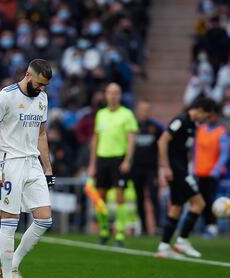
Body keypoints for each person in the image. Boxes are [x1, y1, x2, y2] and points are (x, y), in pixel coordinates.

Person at [0, 59, 55, 278]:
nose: (42, 89)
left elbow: (41, 133)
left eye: (45, 85)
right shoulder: (6, 97)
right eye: (40, 83)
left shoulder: (42, 98)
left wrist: (48, 167)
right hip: (9, 163)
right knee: (9, 222)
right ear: (28, 75)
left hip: (33, 162)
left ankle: (12, 267)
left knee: (44, 219)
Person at [156, 97, 216, 258]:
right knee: (199, 203)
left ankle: (164, 246)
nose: (206, 120)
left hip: (182, 169)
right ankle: (182, 240)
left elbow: (184, 150)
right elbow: (162, 141)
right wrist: (165, 167)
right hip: (176, 171)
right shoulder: (180, 120)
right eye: (207, 116)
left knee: (177, 206)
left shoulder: (193, 125)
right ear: (201, 110)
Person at [87, 83, 138, 246]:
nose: (113, 95)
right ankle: (103, 230)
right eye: (110, 92)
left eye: (116, 93)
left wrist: (127, 160)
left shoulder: (127, 114)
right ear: (106, 95)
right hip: (102, 158)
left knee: (119, 196)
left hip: (118, 159)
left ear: (120, 95)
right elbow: (96, 139)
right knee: (100, 197)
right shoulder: (101, 114)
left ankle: (120, 233)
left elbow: (131, 140)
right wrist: (92, 164)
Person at [193, 104, 229, 239]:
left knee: (210, 200)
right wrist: (194, 168)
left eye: (213, 115)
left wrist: (216, 170)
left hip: (212, 173)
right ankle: (205, 225)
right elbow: (196, 150)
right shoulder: (201, 129)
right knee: (200, 200)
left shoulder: (221, 132)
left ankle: (212, 226)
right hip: (199, 171)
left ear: (217, 116)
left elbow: (224, 153)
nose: (210, 117)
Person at [131, 100, 164, 235]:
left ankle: (157, 226)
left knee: (154, 196)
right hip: (136, 168)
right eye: (142, 109)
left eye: (147, 109)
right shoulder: (132, 127)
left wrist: (161, 166)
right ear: (137, 110)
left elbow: (163, 145)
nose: (144, 112)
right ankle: (143, 227)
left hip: (151, 168)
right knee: (139, 197)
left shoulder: (156, 127)